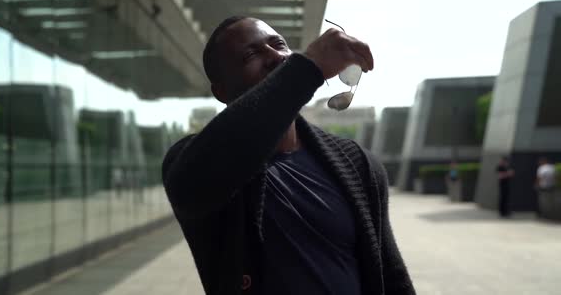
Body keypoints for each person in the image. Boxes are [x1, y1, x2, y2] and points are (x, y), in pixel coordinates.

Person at [162, 16, 415, 295]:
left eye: (279, 45)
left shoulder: (357, 163)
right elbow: (193, 183)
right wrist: (307, 67)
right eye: (250, 55)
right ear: (221, 91)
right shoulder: (192, 162)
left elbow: (391, 275)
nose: (274, 57)